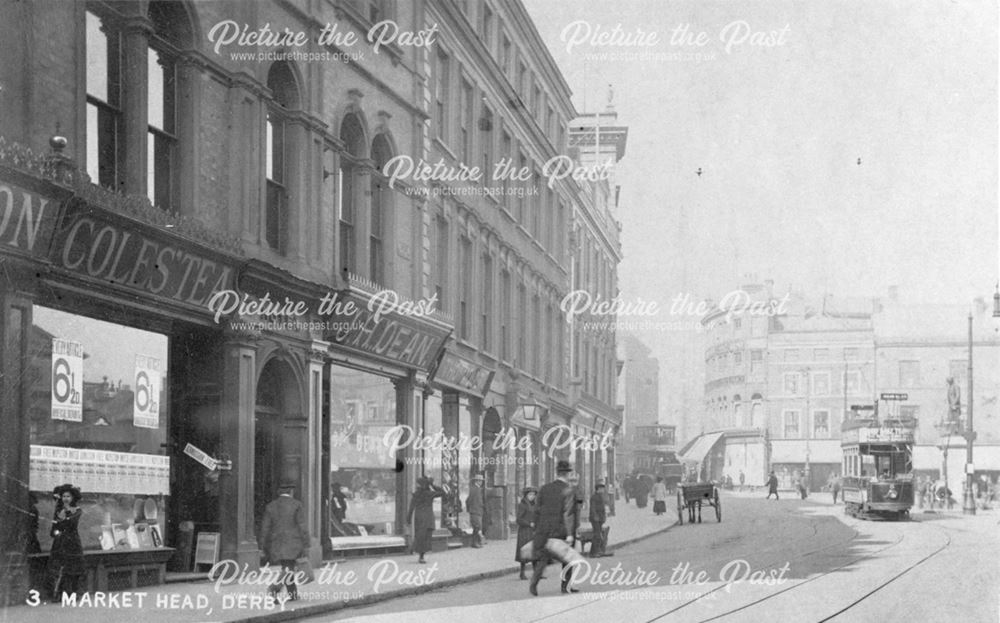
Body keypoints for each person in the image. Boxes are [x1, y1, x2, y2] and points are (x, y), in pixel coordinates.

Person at [529, 460, 578, 596]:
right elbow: (567, 514)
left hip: (544, 529)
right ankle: (566, 586)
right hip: (560, 529)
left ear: (557, 473)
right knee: (567, 558)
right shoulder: (568, 490)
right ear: (567, 474)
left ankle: (534, 582)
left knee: (544, 558)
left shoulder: (545, 488)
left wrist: (536, 527)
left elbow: (537, 509)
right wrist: (569, 534)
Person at [259, 480, 310, 601]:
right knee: (288, 568)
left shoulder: (270, 506)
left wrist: (262, 546)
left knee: (287, 567)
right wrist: (307, 543)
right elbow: (302, 526)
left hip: (276, 543)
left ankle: (293, 595)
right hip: (294, 543)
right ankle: (274, 588)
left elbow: (265, 528)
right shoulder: (296, 505)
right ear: (291, 491)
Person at [48, 484, 84, 601]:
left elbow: (71, 524)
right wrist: (57, 528)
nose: (66, 498)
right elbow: (54, 529)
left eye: (68, 496)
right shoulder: (58, 511)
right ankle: (58, 593)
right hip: (60, 542)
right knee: (59, 568)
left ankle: (73, 593)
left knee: (73, 568)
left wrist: (63, 518)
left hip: (72, 542)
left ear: (73, 498)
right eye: (64, 496)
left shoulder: (77, 510)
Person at [408, 476, 445, 564]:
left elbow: (411, 507)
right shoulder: (429, 493)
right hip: (428, 518)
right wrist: (433, 485)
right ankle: (421, 555)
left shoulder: (416, 494)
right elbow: (442, 492)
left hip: (419, 517)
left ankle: (417, 550)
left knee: (420, 535)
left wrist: (408, 518)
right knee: (426, 537)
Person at [514, 487, 537, 579]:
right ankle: (522, 573)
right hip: (524, 531)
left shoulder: (534, 505)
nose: (532, 496)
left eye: (533, 494)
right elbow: (518, 519)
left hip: (533, 531)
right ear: (526, 495)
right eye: (530, 494)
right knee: (524, 552)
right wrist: (528, 524)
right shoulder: (522, 505)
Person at [588, 482, 611, 558]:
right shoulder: (594, 497)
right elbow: (593, 508)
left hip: (600, 518)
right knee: (597, 535)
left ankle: (598, 551)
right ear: (598, 489)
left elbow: (602, 508)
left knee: (599, 535)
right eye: (602, 488)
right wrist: (595, 517)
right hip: (595, 519)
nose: (603, 490)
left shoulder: (600, 496)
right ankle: (593, 553)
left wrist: (603, 517)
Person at [466, 473, 485, 548]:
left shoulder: (478, 489)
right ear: (476, 481)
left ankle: (476, 542)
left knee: (477, 527)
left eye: (481, 481)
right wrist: (470, 509)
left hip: (478, 511)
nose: (481, 482)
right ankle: (475, 542)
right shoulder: (474, 489)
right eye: (480, 481)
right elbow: (468, 500)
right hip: (475, 511)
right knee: (477, 527)